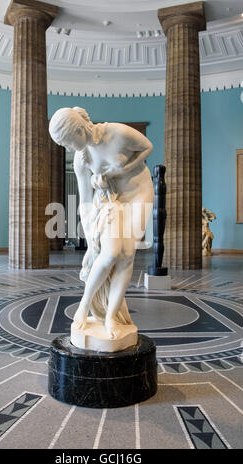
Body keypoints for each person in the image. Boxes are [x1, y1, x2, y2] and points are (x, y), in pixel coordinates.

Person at [49, 107, 154, 339]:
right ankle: (84, 306)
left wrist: (122, 169)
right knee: (109, 254)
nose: (66, 148)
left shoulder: (117, 133)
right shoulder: (81, 159)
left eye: (66, 142)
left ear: (77, 130)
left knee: (127, 256)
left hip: (138, 194)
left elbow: (147, 147)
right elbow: (85, 202)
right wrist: (90, 240)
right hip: (110, 201)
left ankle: (110, 317)